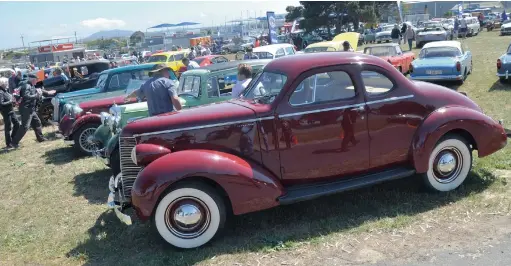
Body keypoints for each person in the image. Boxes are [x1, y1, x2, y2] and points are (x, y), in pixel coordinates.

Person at [11, 74, 56, 148]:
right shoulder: (27, 86)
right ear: (32, 79)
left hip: (30, 109)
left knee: (37, 123)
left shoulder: (31, 85)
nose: (37, 81)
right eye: (36, 79)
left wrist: (48, 92)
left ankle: (40, 138)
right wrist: (37, 96)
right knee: (25, 126)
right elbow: (26, 96)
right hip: (26, 109)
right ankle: (14, 142)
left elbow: (39, 90)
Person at [0, 77, 20, 149]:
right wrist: (10, 101)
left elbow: (9, 99)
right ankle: (8, 144)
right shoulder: (0, 92)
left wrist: (13, 101)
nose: (8, 84)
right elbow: (1, 103)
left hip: (11, 110)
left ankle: (12, 139)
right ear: (3, 84)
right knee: (8, 128)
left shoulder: (5, 90)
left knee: (17, 124)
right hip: (6, 112)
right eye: (6, 83)